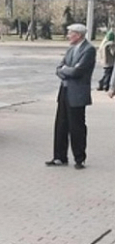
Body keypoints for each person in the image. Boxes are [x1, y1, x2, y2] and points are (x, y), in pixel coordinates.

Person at [45, 23, 96, 170]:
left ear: (78, 35)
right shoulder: (70, 49)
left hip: (77, 94)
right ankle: (59, 157)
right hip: (64, 91)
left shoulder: (89, 50)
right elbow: (59, 69)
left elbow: (77, 72)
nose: (68, 36)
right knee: (61, 124)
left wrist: (66, 70)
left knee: (77, 126)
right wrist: (67, 69)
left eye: (70, 33)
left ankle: (79, 158)